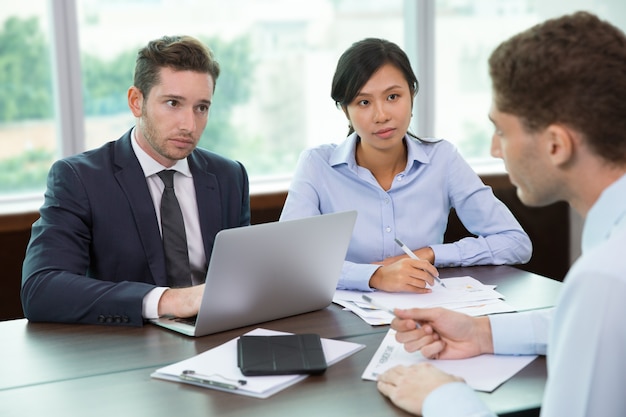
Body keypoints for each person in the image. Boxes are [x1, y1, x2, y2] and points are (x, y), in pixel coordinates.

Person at [377, 11, 626, 417]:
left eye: (502, 131)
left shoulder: (604, 280)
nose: (495, 149)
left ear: (555, 145)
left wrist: (444, 399)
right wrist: (481, 331)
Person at [21, 35, 250, 326]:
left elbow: (242, 278)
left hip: (217, 338)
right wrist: (171, 300)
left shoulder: (229, 176)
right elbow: (40, 290)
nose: (189, 125)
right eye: (173, 103)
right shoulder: (80, 178)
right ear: (136, 102)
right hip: (128, 347)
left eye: (201, 107)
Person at [279, 38, 531, 293]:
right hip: (342, 318)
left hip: (424, 310)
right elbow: (288, 259)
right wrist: (374, 276)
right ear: (346, 111)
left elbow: (515, 243)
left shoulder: (442, 158)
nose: (382, 115)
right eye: (364, 102)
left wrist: (430, 254)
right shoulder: (316, 165)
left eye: (393, 96)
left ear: (411, 95)